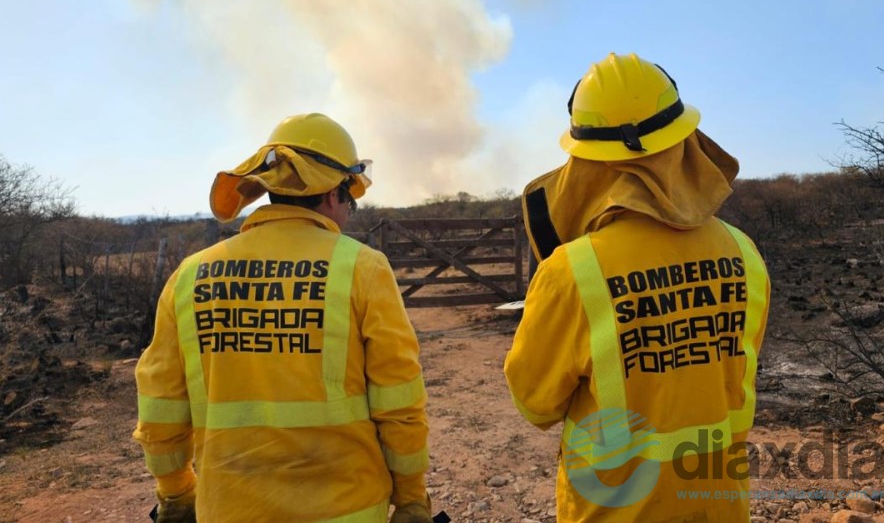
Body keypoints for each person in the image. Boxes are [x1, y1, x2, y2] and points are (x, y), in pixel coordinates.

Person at [504, 53, 770, 522]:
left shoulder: (572, 271)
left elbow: (536, 404)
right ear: (685, 140)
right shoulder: (744, 253)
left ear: (587, 160)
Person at [133, 113, 432, 523]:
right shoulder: (363, 267)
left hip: (228, 511)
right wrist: (411, 497)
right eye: (350, 200)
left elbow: (160, 403)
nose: (348, 213)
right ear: (333, 193)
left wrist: (176, 492)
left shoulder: (190, 275)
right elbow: (398, 401)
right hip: (347, 510)